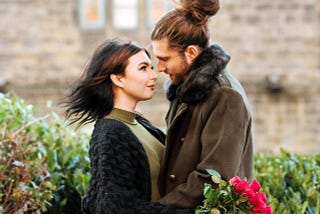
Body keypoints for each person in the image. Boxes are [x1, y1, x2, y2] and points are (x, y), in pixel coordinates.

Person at [64, 40, 189, 213]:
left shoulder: (140, 124)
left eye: (151, 68)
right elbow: (117, 207)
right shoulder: (111, 133)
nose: (153, 75)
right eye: (143, 68)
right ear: (118, 78)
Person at [150, 0, 254, 209]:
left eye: (165, 58)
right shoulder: (186, 90)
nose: (159, 68)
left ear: (190, 53)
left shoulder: (224, 96)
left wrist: (159, 208)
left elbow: (215, 177)